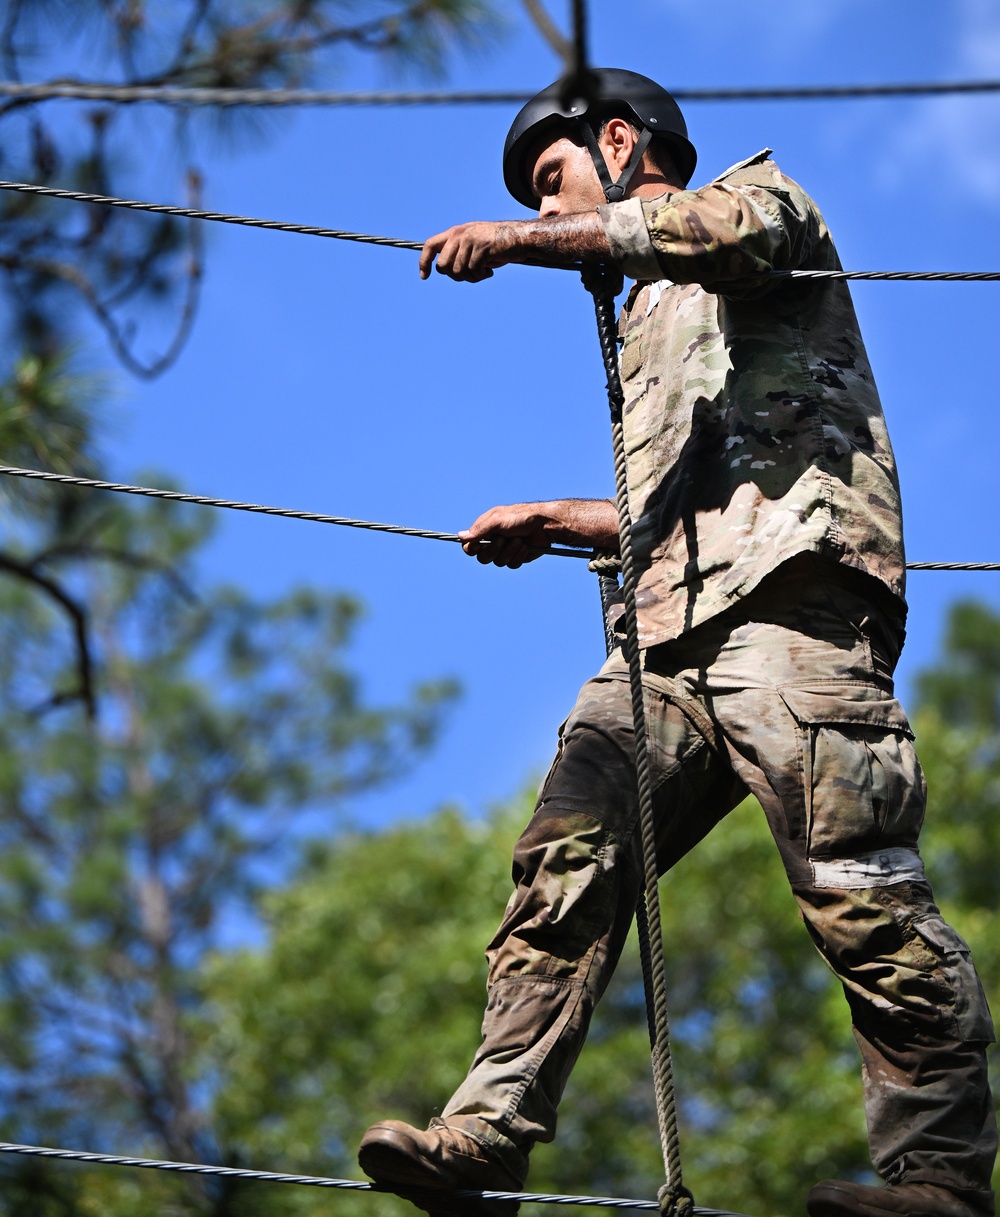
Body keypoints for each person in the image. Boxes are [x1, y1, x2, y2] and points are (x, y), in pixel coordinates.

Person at [357, 69, 997, 1217]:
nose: (554, 212)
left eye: (554, 183)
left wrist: (517, 242)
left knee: (857, 892)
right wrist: (566, 519)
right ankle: (488, 1131)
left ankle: (941, 1176)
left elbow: (719, 234)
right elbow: (687, 499)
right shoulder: (644, 322)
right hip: (663, 639)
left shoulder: (756, 204)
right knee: (560, 862)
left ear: (617, 140)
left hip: (792, 612)